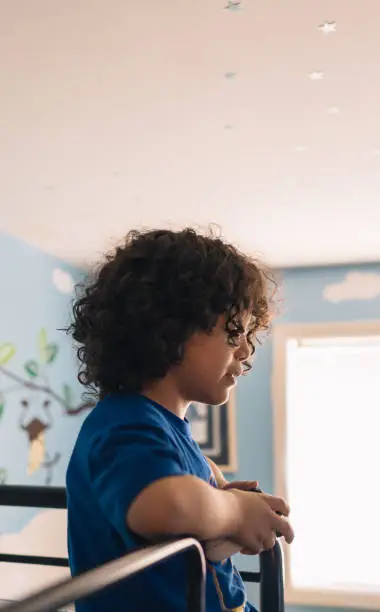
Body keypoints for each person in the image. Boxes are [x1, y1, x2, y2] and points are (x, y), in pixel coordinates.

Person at [66, 227, 294, 612]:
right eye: (234, 331)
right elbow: (168, 507)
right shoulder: (123, 424)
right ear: (169, 327)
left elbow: (182, 505)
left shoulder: (164, 430)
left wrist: (223, 503)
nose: (245, 352)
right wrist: (234, 511)